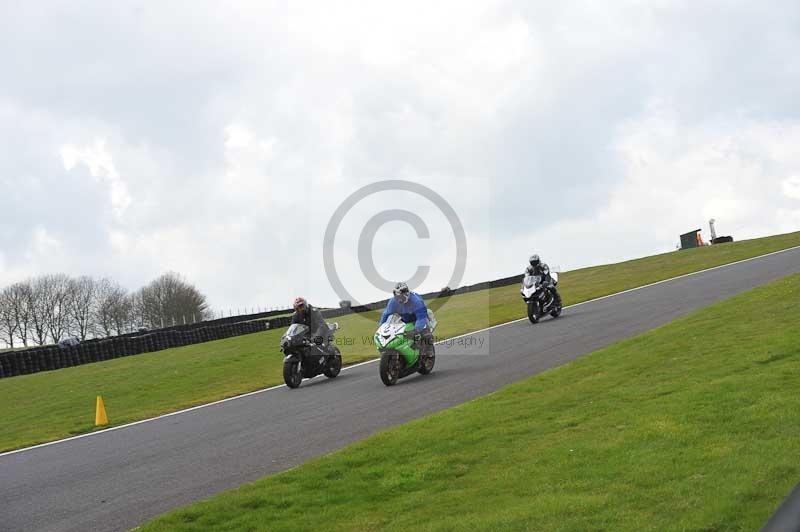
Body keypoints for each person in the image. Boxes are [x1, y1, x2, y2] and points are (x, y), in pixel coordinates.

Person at [379, 282, 434, 358]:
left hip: (419, 317)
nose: (400, 300)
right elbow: (386, 314)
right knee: (397, 333)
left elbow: (421, 318)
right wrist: (381, 327)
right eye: (397, 297)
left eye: (401, 297)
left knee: (425, 332)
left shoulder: (416, 301)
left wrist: (416, 330)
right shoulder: (393, 302)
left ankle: (429, 350)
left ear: (407, 293)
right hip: (404, 319)